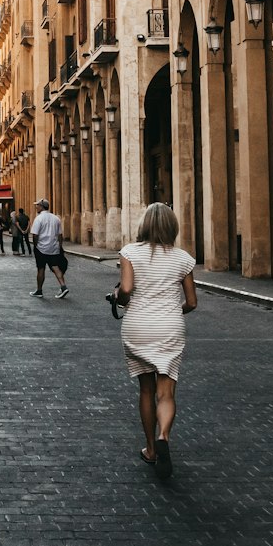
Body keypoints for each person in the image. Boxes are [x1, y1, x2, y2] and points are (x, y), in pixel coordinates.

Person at [112, 202, 197, 481]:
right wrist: (173, 312)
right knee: (167, 392)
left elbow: (126, 290)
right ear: (172, 226)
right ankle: (164, 436)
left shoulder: (129, 252)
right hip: (169, 327)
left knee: (146, 390)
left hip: (137, 325)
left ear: (144, 225)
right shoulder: (183, 258)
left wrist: (117, 299)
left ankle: (150, 449)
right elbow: (192, 303)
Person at [30, 199, 67, 297]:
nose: (36, 207)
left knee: (41, 269)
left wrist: (36, 245)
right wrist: (59, 246)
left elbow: (35, 235)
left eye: (37, 205)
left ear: (42, 206)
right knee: (55, 267)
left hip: (41, 248)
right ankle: (63, 286)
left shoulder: (38, 218)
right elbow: (60, 235)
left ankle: (39, 290)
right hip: (53, 248)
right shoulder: (56, 218)